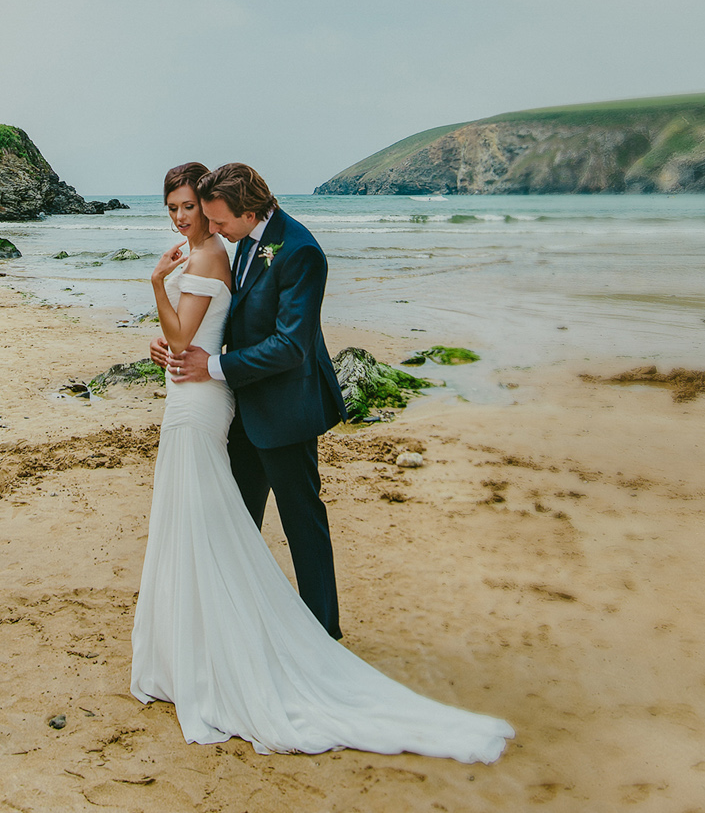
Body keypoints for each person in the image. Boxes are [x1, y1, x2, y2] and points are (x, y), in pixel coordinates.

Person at [131, 161, 514, 762]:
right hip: (235, 410)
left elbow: (291, 344)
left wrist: (215, 365)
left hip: (284, 409)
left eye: (219, 220)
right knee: (235, 523)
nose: (211, 228)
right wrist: (182, 346)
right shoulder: (232, 243)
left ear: (250, 211)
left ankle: (324, 634)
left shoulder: (302, 251)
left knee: (303, 519)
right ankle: (239, 632)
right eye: (203, 217)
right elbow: (218, 318)